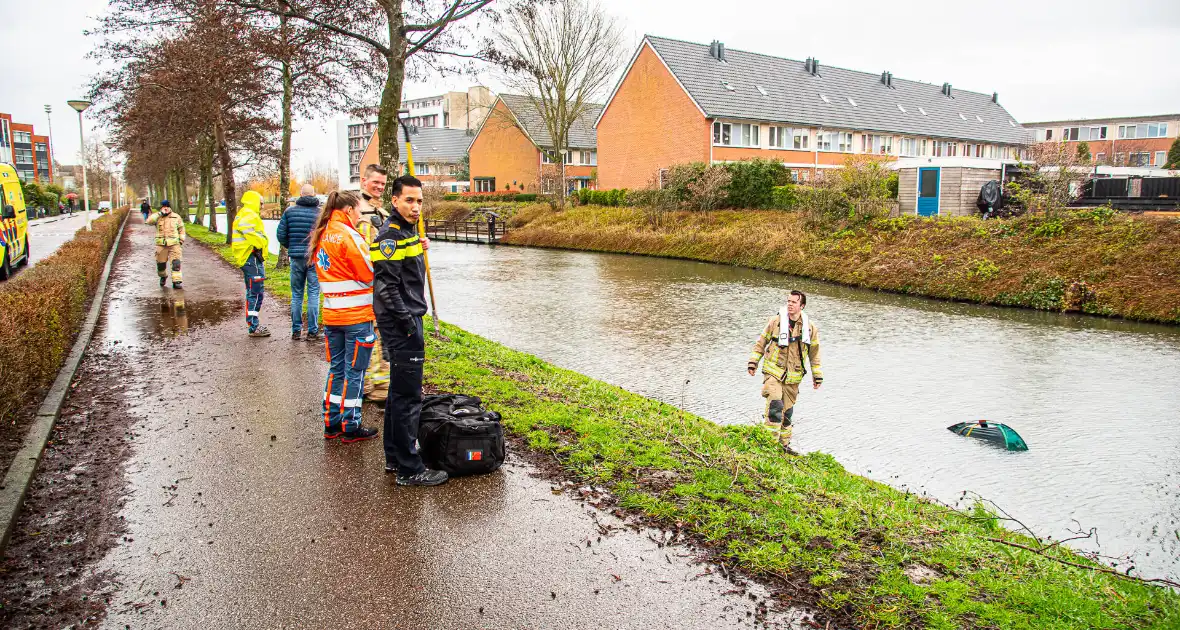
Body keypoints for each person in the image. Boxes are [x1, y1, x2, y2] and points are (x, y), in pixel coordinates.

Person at [372, 175, 447, 487]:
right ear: (395, 200)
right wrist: (407, 325)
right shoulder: (390, 236)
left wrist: (418, 243)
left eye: (419, 201)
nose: (416, 207)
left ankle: (395, 456)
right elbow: (386, 288)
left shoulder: (406, 232)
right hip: (401, 323)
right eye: (409, 201)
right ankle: (409, 468)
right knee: (408, 397)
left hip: (405, 319)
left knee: (399, 393)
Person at [309, 191, 379, 443]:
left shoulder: (322, 233)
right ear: (349, 209)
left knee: (336, 370)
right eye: (358, 209)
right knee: (355, 371)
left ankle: (331, 422)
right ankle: (351, 424)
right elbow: (369, 271)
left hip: (332, 316)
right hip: (356, 316)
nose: (360, 214)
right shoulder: (349, 235)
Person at [747, 290, 823, 450]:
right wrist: (753, 362)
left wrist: (817, 376)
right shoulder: (775, 322)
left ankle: (784, 447)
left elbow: (814, 354)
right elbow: (761, 342)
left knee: (787, 414)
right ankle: (768, 445)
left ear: (801, 306)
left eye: (794, 302)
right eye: (788, 301)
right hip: (773, 372)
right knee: (775, 406)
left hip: (793, 378)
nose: (790, 304)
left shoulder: (810, 328)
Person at [357, 164, 391, 405]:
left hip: (383, 281)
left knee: (381, 332)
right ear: (363, 181)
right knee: (369, 332)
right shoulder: (358, 211)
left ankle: (381, 383)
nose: (379, 187)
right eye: (375, 182)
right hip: (366, 281)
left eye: (382, 183)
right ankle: (368, 386)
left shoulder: (383, 212)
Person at [277, 184, 321, 341]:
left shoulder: (290, 212)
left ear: (301, 195)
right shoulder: (320, 213)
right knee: (314, 293)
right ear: (314, 195)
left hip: (296, 258)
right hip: (314, 257)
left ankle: (296, 330)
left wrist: (291, 246)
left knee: (296, 294)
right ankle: (313, 330)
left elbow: (281, 234)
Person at [231, 190, 271, 337]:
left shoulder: (244, 213)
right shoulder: (249, 214)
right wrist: (262, 241)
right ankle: (253, 326)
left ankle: (253, 323)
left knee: (254, 291)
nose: (262, 206)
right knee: (256, 292)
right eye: (261, 203)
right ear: (254, 201)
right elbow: (252, 234)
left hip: (249, 257)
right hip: (251, 257)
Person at [146, 199, 186, 288]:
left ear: (170, 207)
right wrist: (160, 214)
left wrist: (181, 240)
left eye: (167, 206)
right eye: (164, 207)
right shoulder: (158, 217)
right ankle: (163, 277)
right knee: (161, 264)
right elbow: (148, 221)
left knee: (176, 263)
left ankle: (177, 282)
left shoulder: (176, 217)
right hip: (161, 244)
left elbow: (182, 229)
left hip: (174, 244)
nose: (166, 208)